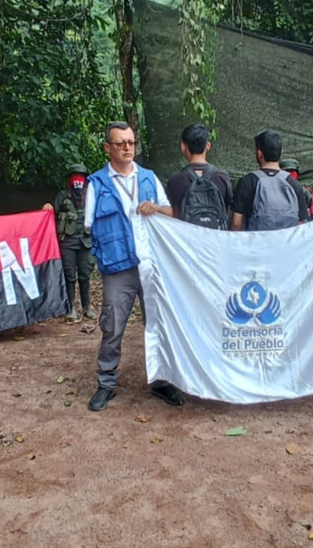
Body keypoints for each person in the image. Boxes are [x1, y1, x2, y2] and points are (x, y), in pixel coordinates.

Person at [83, 121, 181, 411]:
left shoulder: (149, 178)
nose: (127, 147)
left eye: (131, 142)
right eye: (121, 143)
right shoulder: (96, 184)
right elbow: (89, 226)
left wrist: (157, 208)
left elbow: (172, 213)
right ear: (107, 148)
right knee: (112, 326)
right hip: (118, 267)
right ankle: (106, 384)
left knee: (159, 323)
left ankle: (163, 381)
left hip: (152, 263)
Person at [43, 164, 97, 324]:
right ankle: (70, 308)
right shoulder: (63, 196)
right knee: (69, 275)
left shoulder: (91, 195)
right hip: (67, 241)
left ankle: (87, 307)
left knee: (85, 274)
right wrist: (47, 208)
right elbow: (52, 215)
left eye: (81, 176)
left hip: (86, 240)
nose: (78, 180)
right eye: (74, 176)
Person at [231, 130, 310, 230]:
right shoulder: (294, 185)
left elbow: (236, 224)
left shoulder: (247, 182)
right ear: (281, 152)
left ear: (259, 154)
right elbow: (301, 225)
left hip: (256, 244)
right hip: (285, 244)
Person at [166, 124, 233, 229]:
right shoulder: (221, 177)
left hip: (187, 241)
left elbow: (173, 214)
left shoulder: (176, 179)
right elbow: (226, 211)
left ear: (183, 147)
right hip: (216, 240)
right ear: (208, 146)